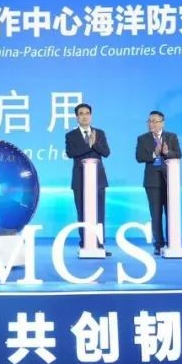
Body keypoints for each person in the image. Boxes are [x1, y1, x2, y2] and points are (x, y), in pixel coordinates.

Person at [65, 102, 111, 254]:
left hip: (98, 179)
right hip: (80, 179)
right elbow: (71, 153)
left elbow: (106, 153)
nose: (84, 116)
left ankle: (99, 244)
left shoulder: (100, 133)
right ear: (77, 117)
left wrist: (94, 143)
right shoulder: (71, 135)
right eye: (81, 114)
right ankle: (85, 243)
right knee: (82, 212)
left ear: (91, 116)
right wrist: (89, 145)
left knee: (99, 213)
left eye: (87, 113)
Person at [135, 110, 182, 256]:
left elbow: (178, 154)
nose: (151, 124)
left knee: (171, 212)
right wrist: (154, 154)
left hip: (170, 181)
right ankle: (158, 244)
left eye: (155, 121)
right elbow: (139, 157)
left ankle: (172, 242)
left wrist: (167, 153)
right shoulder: (142, 138)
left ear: (162, 123)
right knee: (155, 214)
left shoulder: (171, 137)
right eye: (149, 121)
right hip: (152, 182)